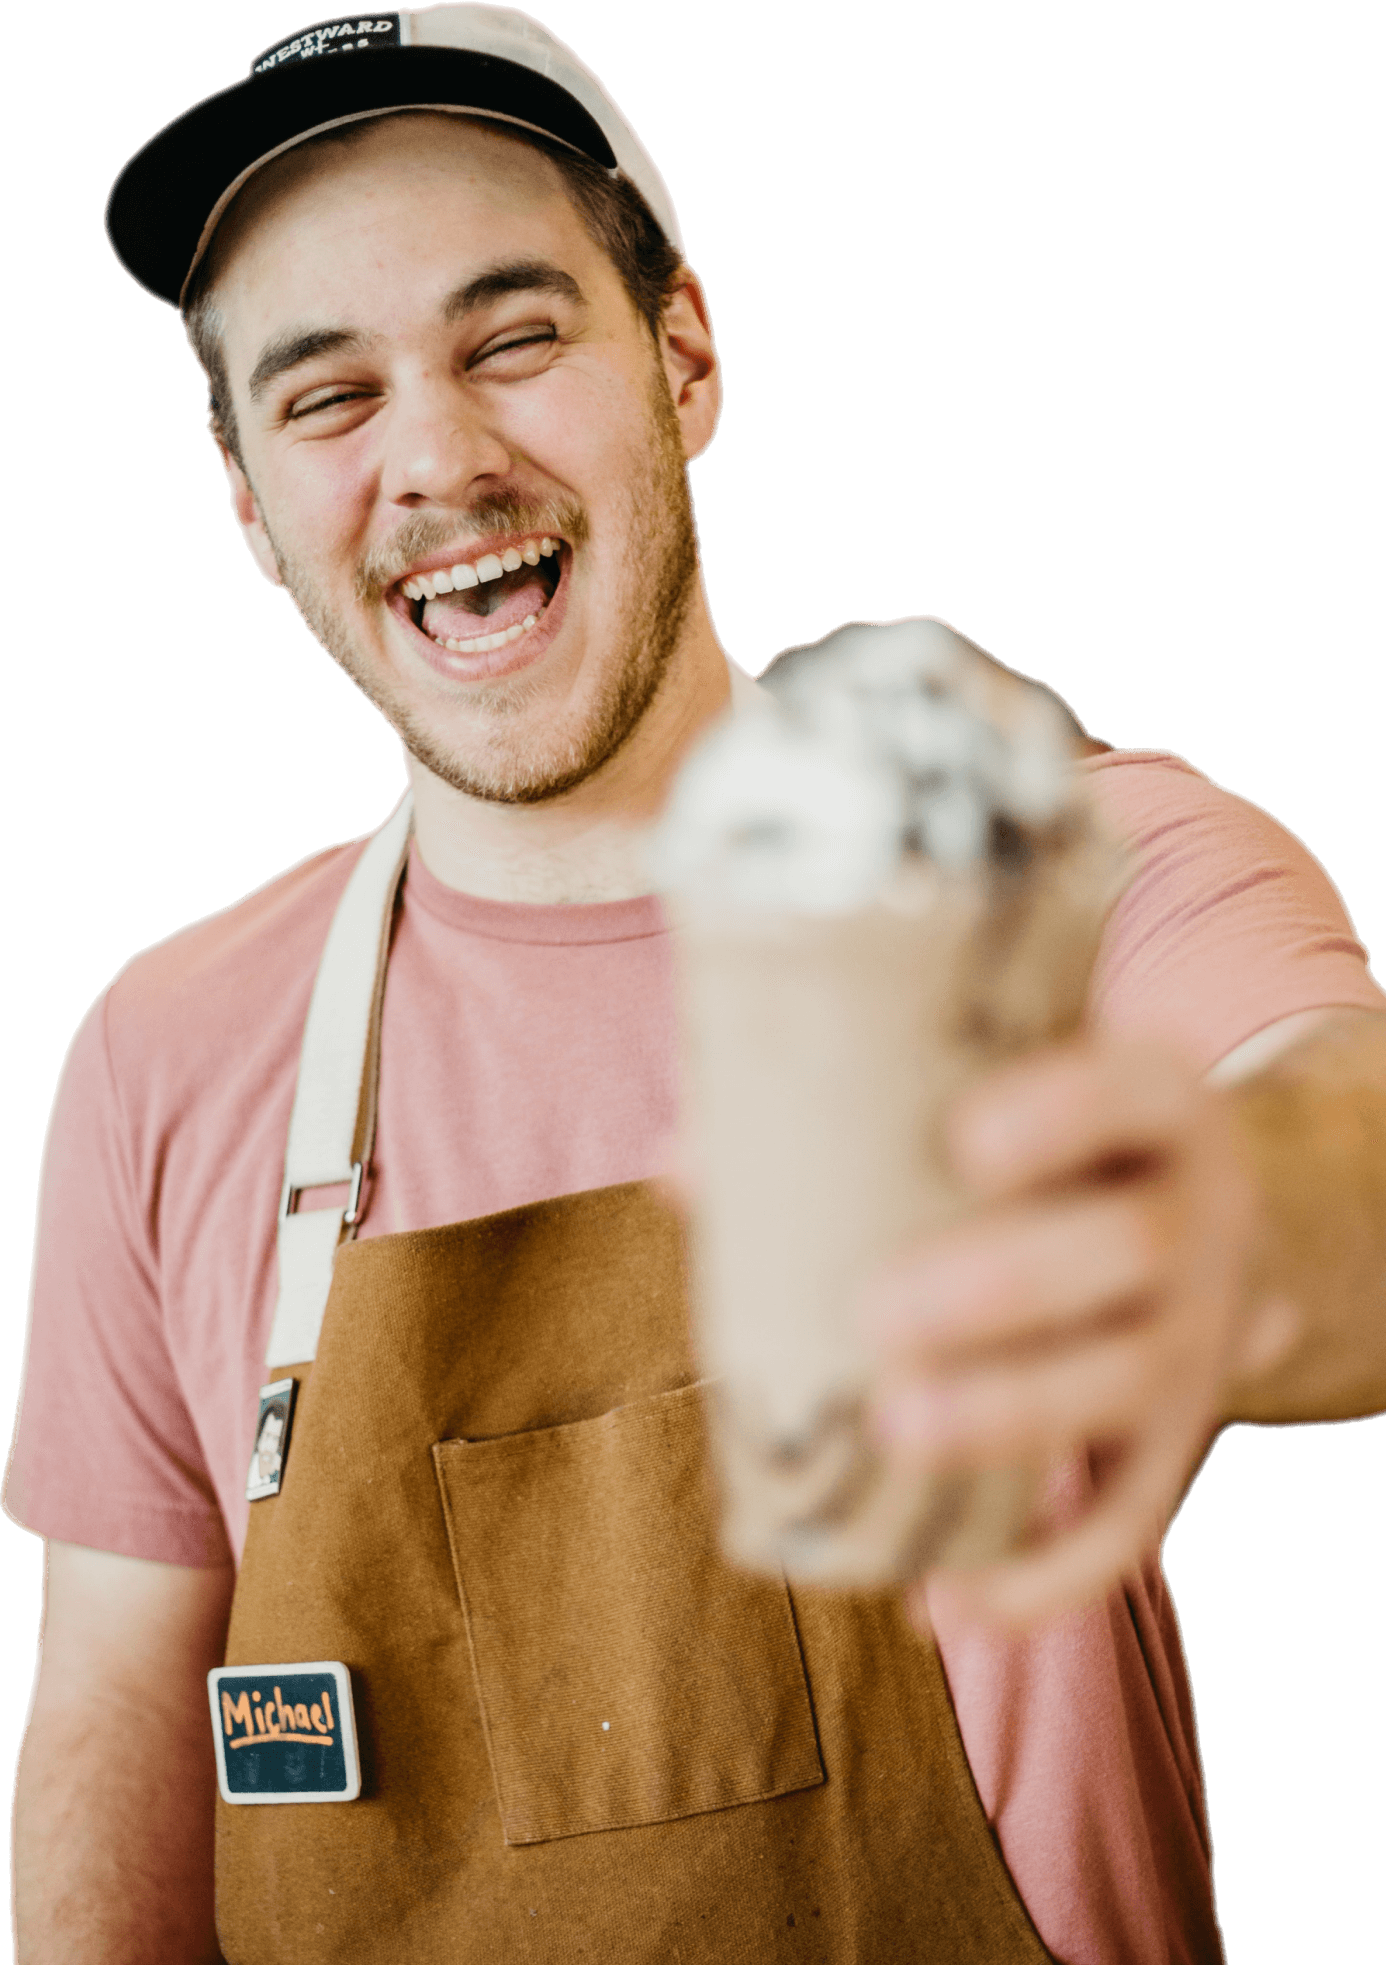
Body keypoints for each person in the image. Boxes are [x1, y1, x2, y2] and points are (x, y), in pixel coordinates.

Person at [6, 6, 1386, 1961]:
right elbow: (115, 1708)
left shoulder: (1047, 879)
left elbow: (1352, 1146)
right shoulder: (167, 1052)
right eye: (326, 399)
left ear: (682, 354)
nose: (437, 460)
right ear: (246, 505)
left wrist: (1156, 1227)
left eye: (513, 339)